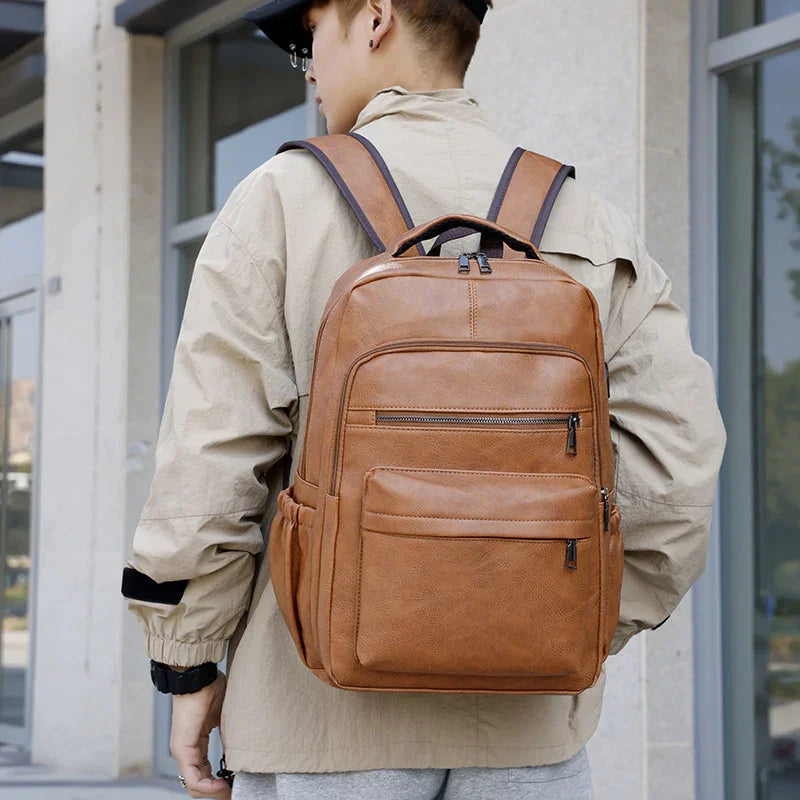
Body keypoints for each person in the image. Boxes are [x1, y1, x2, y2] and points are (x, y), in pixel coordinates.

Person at [120, 0, 727, 798]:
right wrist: (551, 618)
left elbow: (211, 458)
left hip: (321, 721)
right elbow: (676, 473)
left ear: (373, 17)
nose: (307, 68)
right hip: (530, 736)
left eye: (308, 40)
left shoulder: (279, 202)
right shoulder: (586, 218)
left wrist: (188, 662)